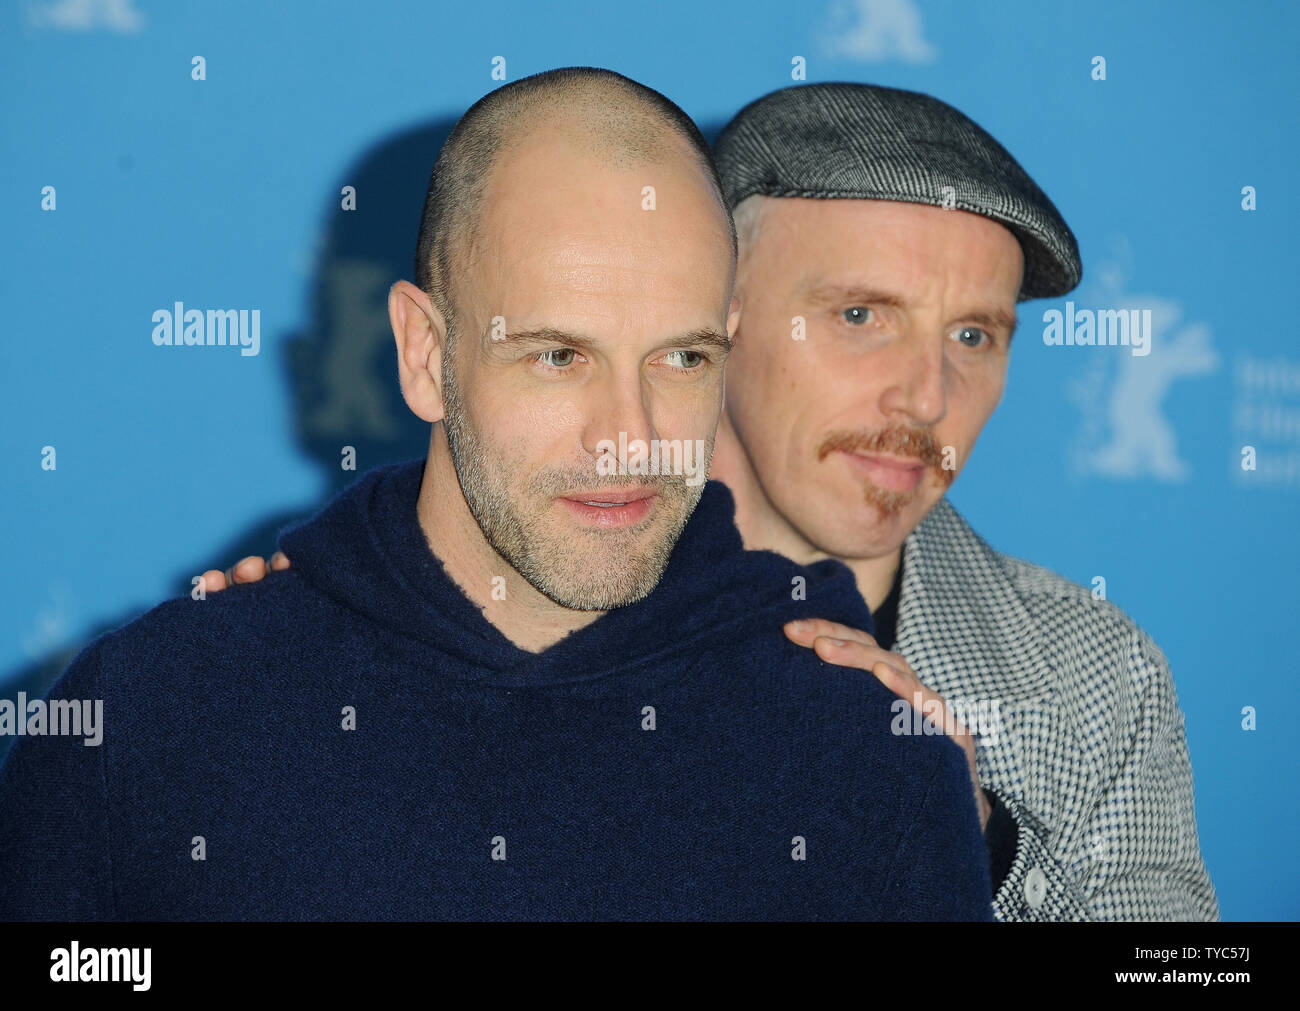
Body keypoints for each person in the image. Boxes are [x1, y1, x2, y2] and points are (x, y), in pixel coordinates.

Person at [0, 69, 993, 922]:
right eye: (559, 356)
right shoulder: (149, 717)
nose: (631, 436)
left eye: (681, 357)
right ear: (427, 354)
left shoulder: (866, 761)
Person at [211, 82, 1218, 921]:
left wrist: (976, 839)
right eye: (859, 315)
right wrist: (346, 618)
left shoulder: (1094, 674)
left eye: (973, 336)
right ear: (713, 316)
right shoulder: (539, 568)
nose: (924, 396)